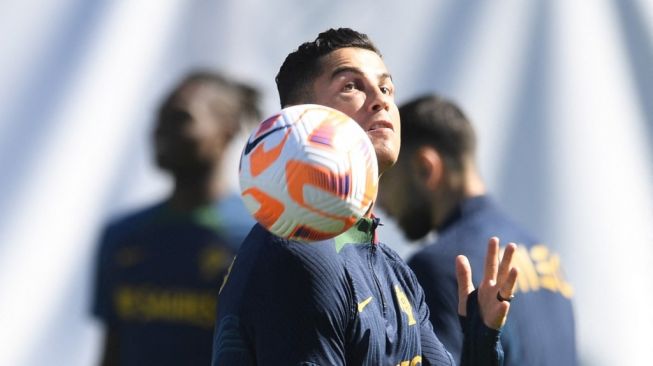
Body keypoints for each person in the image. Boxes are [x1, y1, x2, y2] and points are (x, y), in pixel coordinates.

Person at [212, 28, 520, 366]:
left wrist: (481, 343)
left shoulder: (392, 268)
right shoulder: (300, 249)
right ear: (302, 117)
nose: (382, 99)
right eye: (351, 86)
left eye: (386, 87)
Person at [378, 94, 577, 365]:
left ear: (425, 168)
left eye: (385, 175)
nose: (380, 202)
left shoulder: (442, 267)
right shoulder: (545, 256)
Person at [91, 70, 260, 366]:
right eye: (159, 117)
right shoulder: (121, 234)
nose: (161, 129)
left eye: (181, 117)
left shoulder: (257, 237)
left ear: (227, 130)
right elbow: (112, 351)